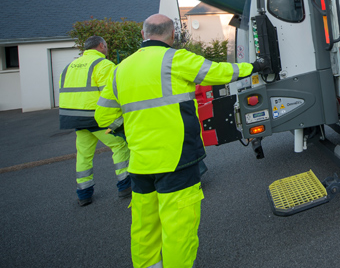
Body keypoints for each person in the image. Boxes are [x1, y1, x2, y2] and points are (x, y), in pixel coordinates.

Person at [95, 14, 266, 268]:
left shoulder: (121, 69)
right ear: (172, 35)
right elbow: (218, 72)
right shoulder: (175, 59)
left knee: (144, 229)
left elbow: (103, 116)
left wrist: (129, 127)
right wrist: (253, 67)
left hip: (140, 163)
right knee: (178, 230)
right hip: (177, 159)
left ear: (143, 34)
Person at [59, 36, 131, 206]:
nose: (106, 49)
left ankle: (83, 193)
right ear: (101, 46)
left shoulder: (69, 66)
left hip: (74, 118)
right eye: (106, 46)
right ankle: (125, 186)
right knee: (119, 145)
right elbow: (112, 94)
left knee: (84, 155)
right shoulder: (103, 65)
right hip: (97, 118)